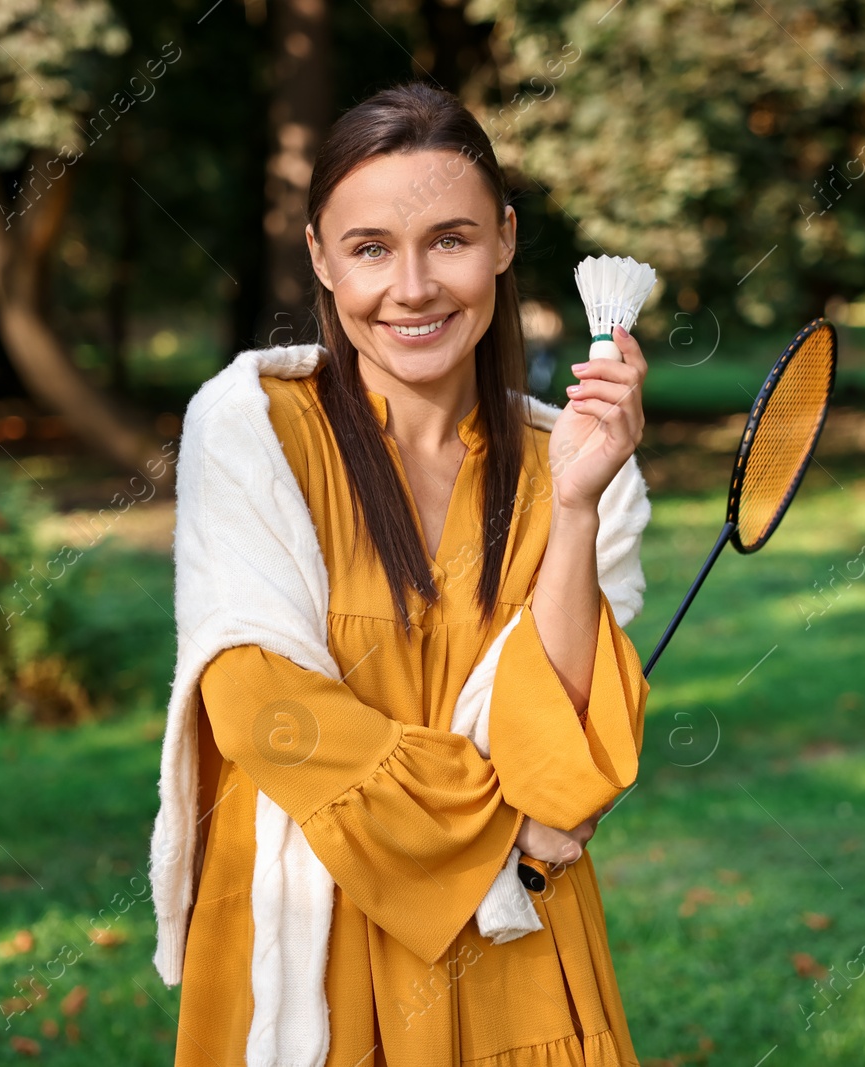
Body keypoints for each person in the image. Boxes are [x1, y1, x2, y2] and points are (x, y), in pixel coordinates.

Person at [173, 82, 651, 1066]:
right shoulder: (251, 428)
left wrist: (573, 506)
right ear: (319, 256)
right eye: (370, 248)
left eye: (450, 238)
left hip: (516, 947)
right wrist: (500, 821)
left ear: (506, 240)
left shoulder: (576, 462)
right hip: (313, 940)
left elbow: (562, 752)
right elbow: (261, 705)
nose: (414, 285)